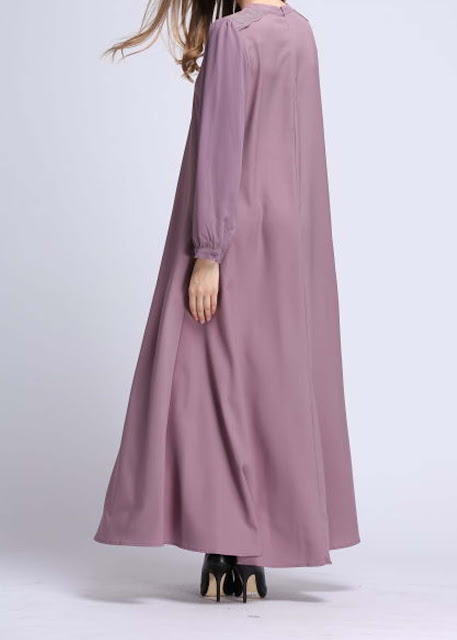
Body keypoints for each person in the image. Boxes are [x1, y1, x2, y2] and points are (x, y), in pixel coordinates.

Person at [93, 0, 361, 603]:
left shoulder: (234, 35)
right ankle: (253, 553)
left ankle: (224, 545)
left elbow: (221, 146)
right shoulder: (301, 32)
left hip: (235, 231)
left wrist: (208, 252)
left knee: (208, 385)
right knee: (266, 387)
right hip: (293, 238)